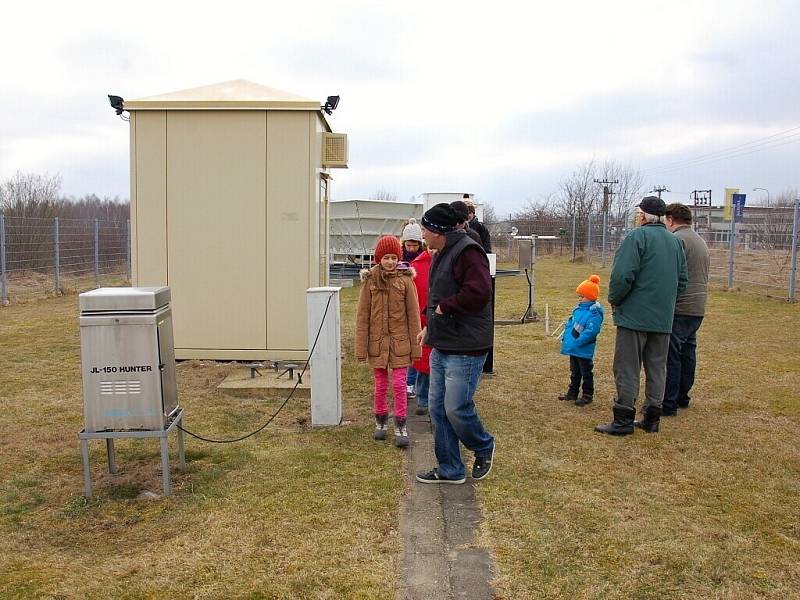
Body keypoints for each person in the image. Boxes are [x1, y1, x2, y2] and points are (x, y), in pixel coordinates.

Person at [415, 203, 496, 484]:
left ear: (437, 231)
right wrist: (429, 328)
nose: (422, 234)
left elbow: (480, 292)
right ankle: (450, 468)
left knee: (456, 407)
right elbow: (436, 294)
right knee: (437, 408)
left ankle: (483, 445)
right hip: (443, 341)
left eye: (425, 229)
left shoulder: (468, 251)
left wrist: (445, 308)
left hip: (466, 345)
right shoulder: (440, 253)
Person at [595, 196, 688, 436]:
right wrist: (666, 304)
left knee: (627, 367)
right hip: (663, 318)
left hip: (634, 316)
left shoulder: (636, 237)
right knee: (658, 368)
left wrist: (615, 299)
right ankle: (652, 418)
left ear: (644, 215)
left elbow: (622, 276)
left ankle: (624, 418)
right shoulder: (675, 242)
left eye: (639, 213)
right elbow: (682, 281)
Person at [356, 235, 422, 447]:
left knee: (400, 384)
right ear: (378, 258)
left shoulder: (405, 281)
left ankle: (401, 423)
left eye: (394, 257)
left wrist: (416, 348)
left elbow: (413, 316)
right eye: (386, 257)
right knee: (380, 385)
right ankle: (381, 421)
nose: (391, 261)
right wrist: (361, 348)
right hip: (377, 345)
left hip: (400, 344)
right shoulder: (370, 282)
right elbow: (362, 317)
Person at [662, 203, 710, 416]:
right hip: (697, 307)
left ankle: (668, 402)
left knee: (671, 355)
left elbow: (671, 274)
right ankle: (682, 396)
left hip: (680, 306)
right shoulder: (699, 240)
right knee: (687, 352)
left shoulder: (677, 240)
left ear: (671, 219)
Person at [558, 274, 605, 407]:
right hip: (574, 348)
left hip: (583, 349)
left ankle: (587, 395)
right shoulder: (578, 310)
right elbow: (570, 325)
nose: (579, 299)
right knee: (574, 372)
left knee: (586, 372)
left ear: (590, 297)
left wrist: (578, 342)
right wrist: (566, 339)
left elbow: (591, 332)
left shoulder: (594, 313)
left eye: (582, 296)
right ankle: (572, 393)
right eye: (579, 296)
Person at [401, 218, 425, 399]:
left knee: (418, 347)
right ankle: (408, 382)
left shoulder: (422, 260)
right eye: (408, 245)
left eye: (414, 245)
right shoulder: (400, 260)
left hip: (419, 306)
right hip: (405, 308)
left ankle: (413, 381)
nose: (411, 248)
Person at [410, 246, 434, 415]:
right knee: (423, 364)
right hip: (422, 319)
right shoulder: (417, 266)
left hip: (440, 319)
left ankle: (432, 399)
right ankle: (423, 399)